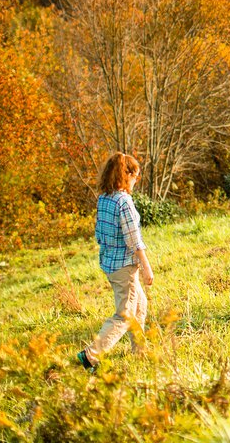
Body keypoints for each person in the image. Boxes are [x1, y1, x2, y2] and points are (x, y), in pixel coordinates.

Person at [77, 153, 154, 372]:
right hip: (124, 267)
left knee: (140, 305)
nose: (136, 181)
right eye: (135, 176)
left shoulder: (104, 199)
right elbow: (133, 239)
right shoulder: (123, 201)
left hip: (111, 263)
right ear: (125, 175)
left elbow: (100, 233)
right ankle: (90, 356)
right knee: (125, 314)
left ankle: (140, 352)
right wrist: (146, 266)